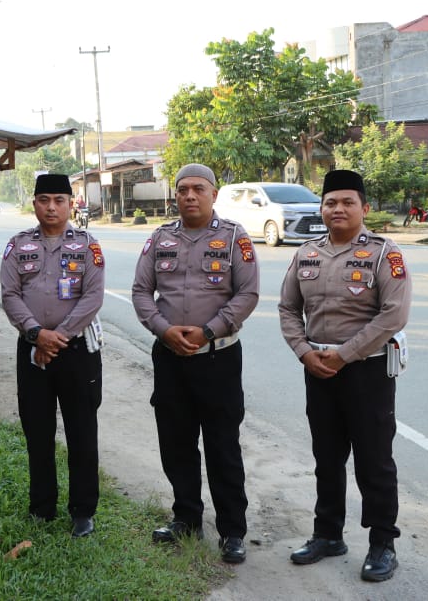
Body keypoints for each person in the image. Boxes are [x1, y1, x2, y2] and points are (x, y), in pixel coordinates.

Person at [277, 169, 411, 583]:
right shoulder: (307, 253)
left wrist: (344, 356)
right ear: (322, 208)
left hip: (366, 373)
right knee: (327, 457)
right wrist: (304, 352)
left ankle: (382, 542)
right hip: (318, 370)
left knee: (374, 460)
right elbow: (286, 308)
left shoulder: (383, 253)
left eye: (347, 202)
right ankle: (328, 534)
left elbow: (394, 315)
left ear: (364, 208)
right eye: (331, 202)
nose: (338, 208)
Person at [130, 163, 259, 564]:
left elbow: (248, 294)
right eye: (183, 189)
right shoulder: (160, 238)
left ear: (213, 194)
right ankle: (186, 517)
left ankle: (232, 531)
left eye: (198, 189)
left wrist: (208, 331)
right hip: (169, 358)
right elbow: (140, 291)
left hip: (217, 358)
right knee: (176, 442)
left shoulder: (235, 238)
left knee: (223, 445)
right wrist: (163, 330)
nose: (189, 196)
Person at [0, 173, 105, 538]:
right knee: (37, 430)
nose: (51, 207)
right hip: (32, 351)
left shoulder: (88, 245)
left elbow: (92, 297)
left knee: (82, 431)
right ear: (34, 204)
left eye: (59, 200)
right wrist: (36, 334)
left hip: (76, 351)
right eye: (44, 199)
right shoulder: (18, 245)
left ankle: (82, 512)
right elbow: (10, 294)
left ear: (71, 204)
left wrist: (56, 337)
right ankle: (42, 507)